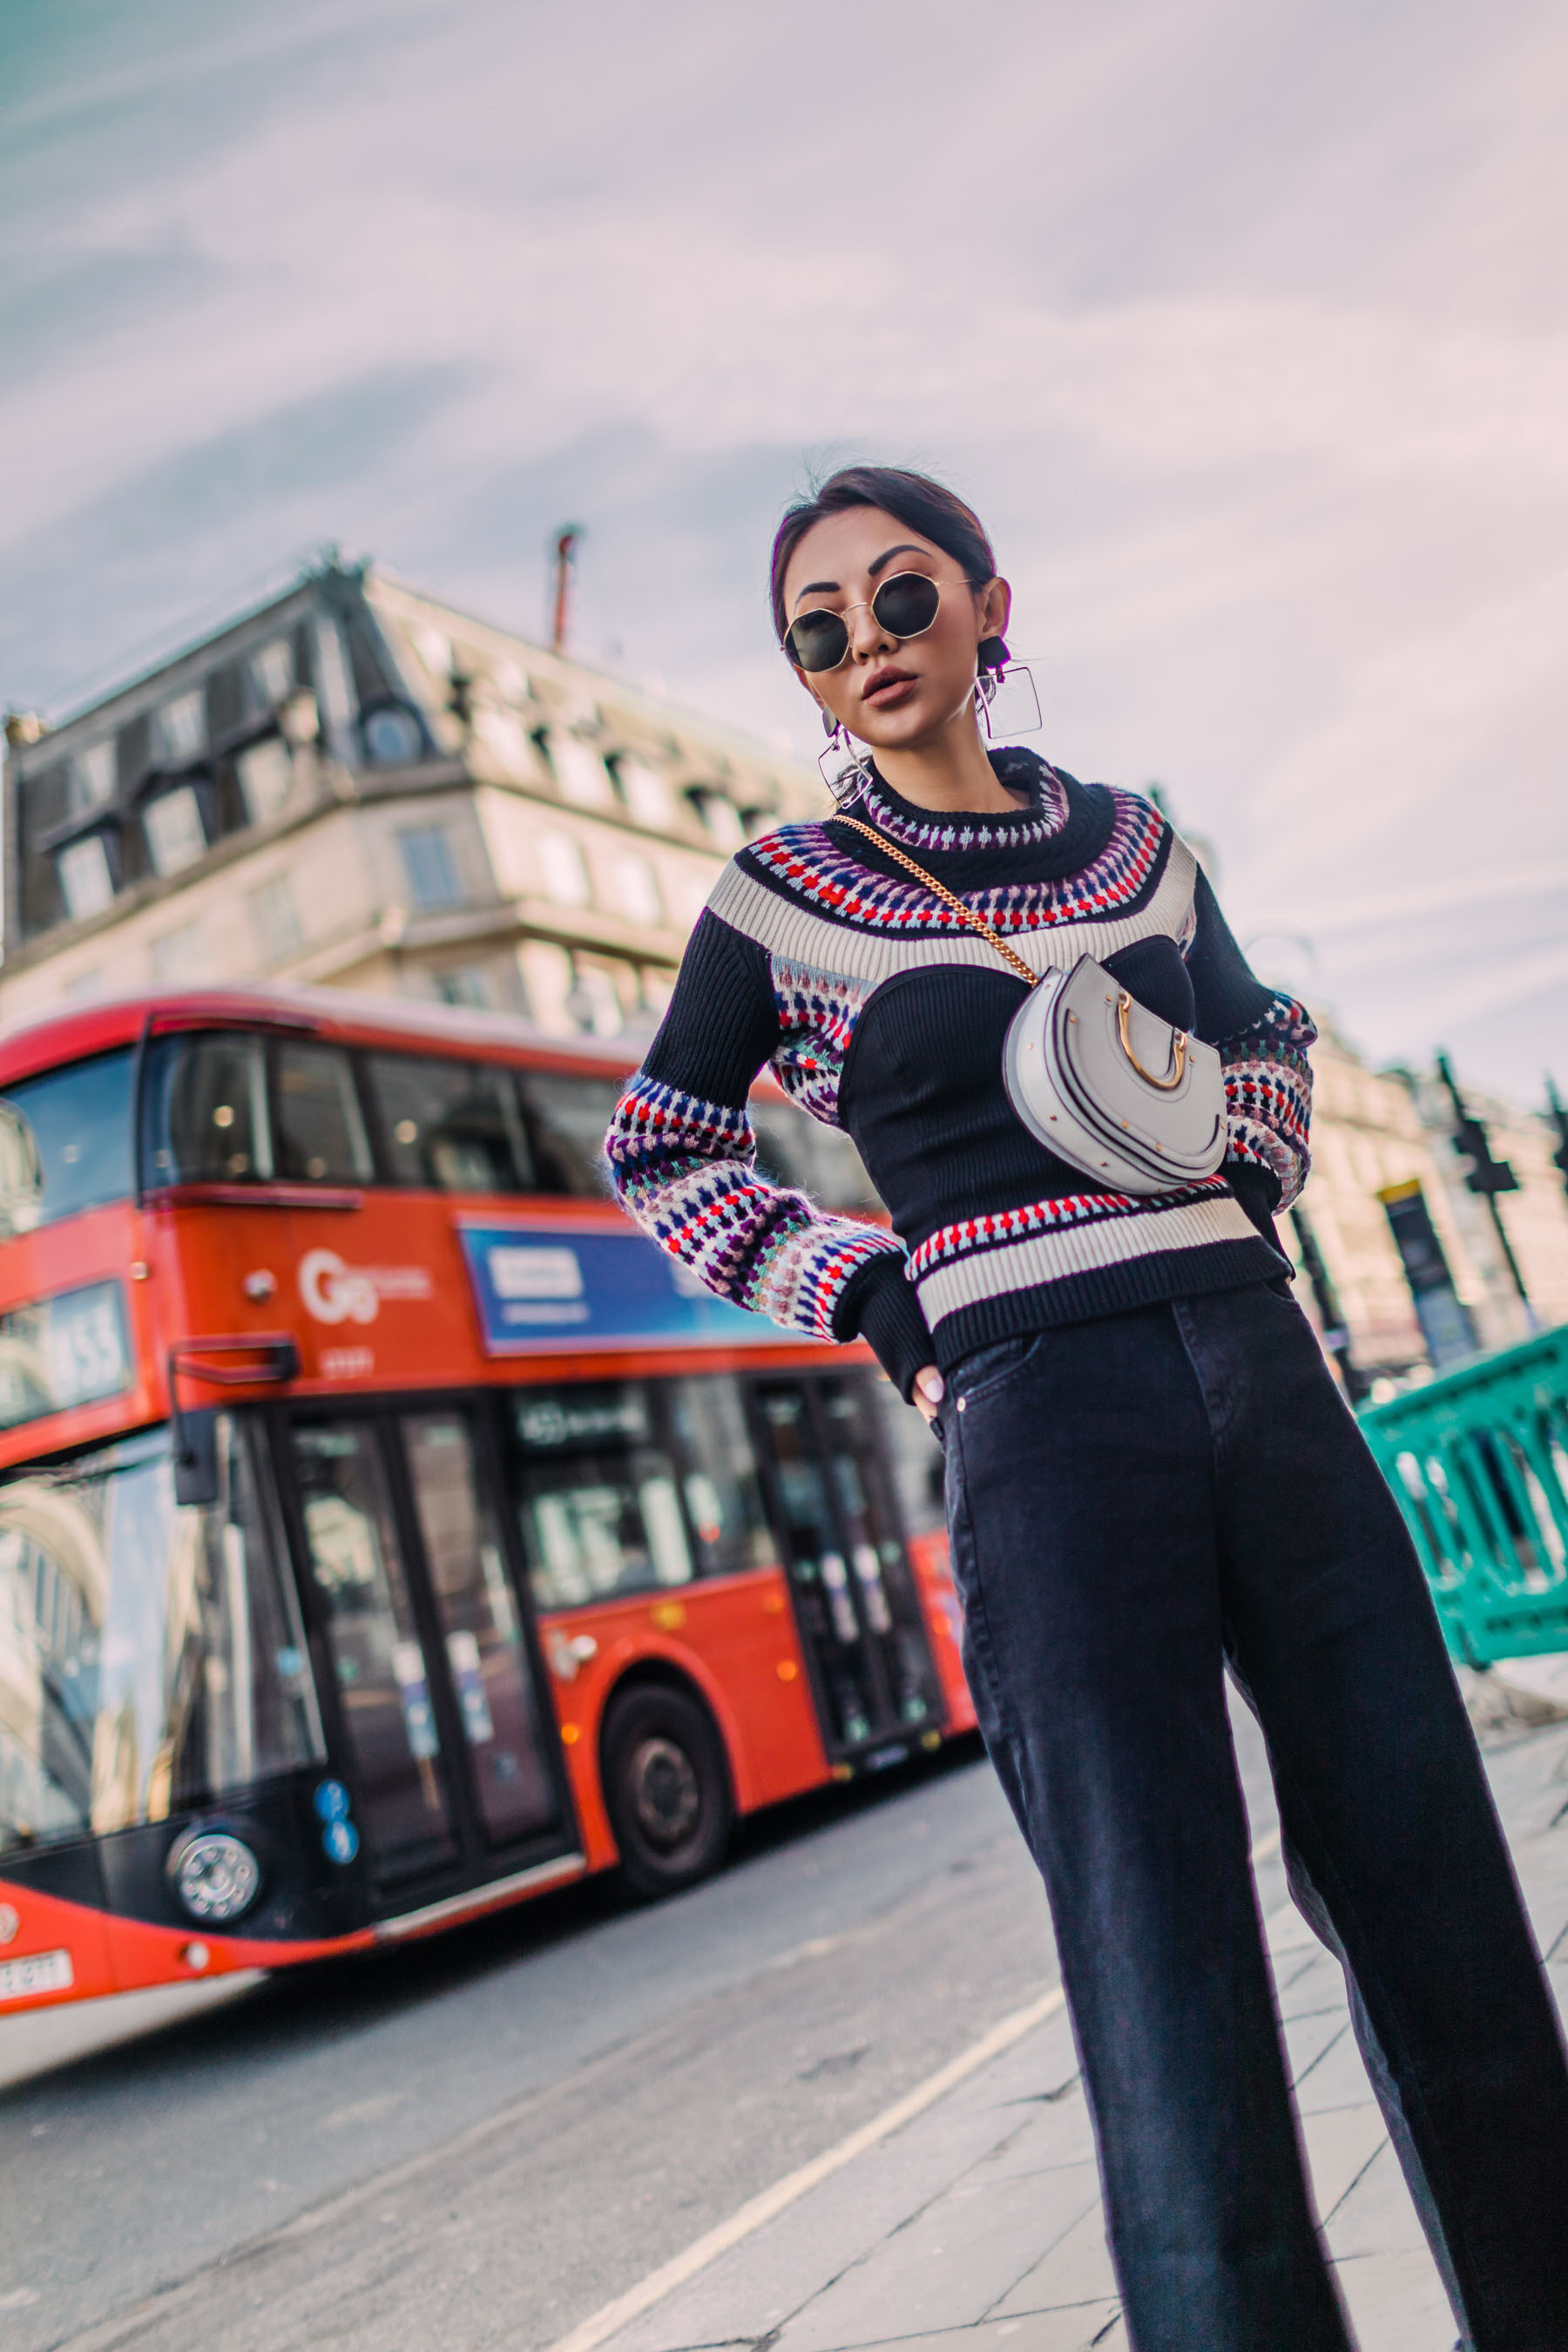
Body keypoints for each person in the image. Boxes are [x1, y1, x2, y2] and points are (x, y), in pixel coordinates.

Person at [604, 464, 1568, 2351]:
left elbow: (1266, 1028)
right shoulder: (782, 896)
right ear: (805, 681)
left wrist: (1254, 1154)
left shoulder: (1137, 846)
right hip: (1041, 1422)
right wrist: (874, 1292)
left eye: (899, 600)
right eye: (821, 633)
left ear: (986, 607)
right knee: (1158, 1950)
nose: (866, 646)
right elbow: (664, 1146)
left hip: (1264, 1362)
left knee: (1431, 1870)